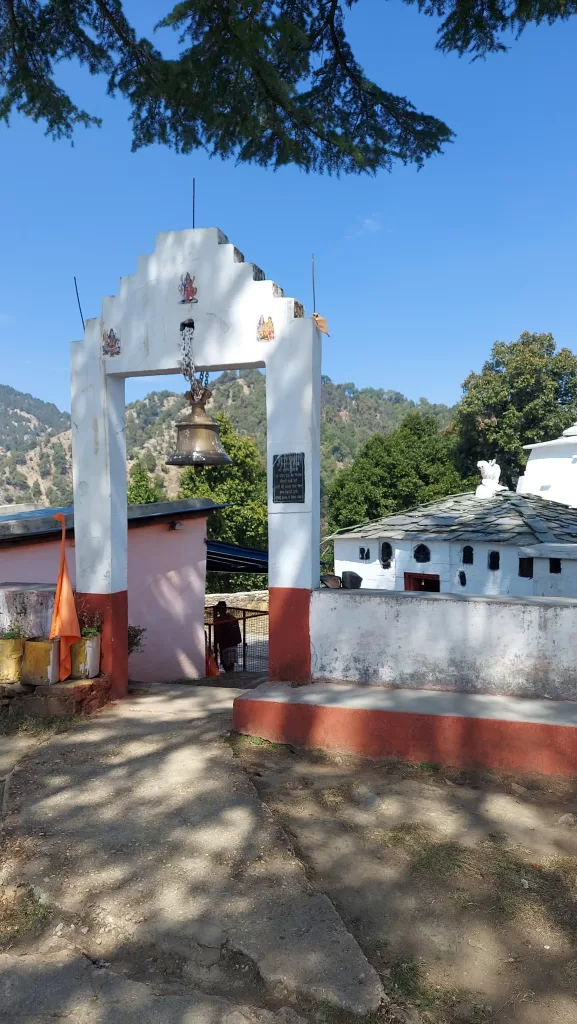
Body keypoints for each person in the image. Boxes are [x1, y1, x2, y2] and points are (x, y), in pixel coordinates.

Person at [213, 601, 242, 673]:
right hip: (233, 643)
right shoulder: (232, 617)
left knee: (226, 662)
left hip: (225, 643)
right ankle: (230, 674)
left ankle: (229, 674)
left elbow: (218, 632)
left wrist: (216, 642)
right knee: (231, 662)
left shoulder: (219, 620)